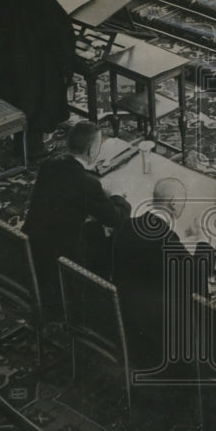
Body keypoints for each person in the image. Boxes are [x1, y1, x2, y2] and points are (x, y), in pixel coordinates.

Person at [22, 121, 131, 315]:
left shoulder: (47, 166)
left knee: (93, 228)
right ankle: (99, 297)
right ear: (91, 152)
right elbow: (117, 220)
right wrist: (117, 197)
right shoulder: (87, 184)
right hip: (63, 265)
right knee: (116, 237)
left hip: (32, 250)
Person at [109, 177, 214, 374]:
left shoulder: (126, 225)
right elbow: (198, 277)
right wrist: (203, 242)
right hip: (156, 334)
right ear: (174, 203)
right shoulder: (167, 240)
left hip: (123, 315)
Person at [0, 0, 75, 158]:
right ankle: (34, 149)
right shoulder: (44, 1)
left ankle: (21, 139)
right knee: (50, 83)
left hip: (8, 63)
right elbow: (62, 37)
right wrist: (67, 67)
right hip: (33, 73)